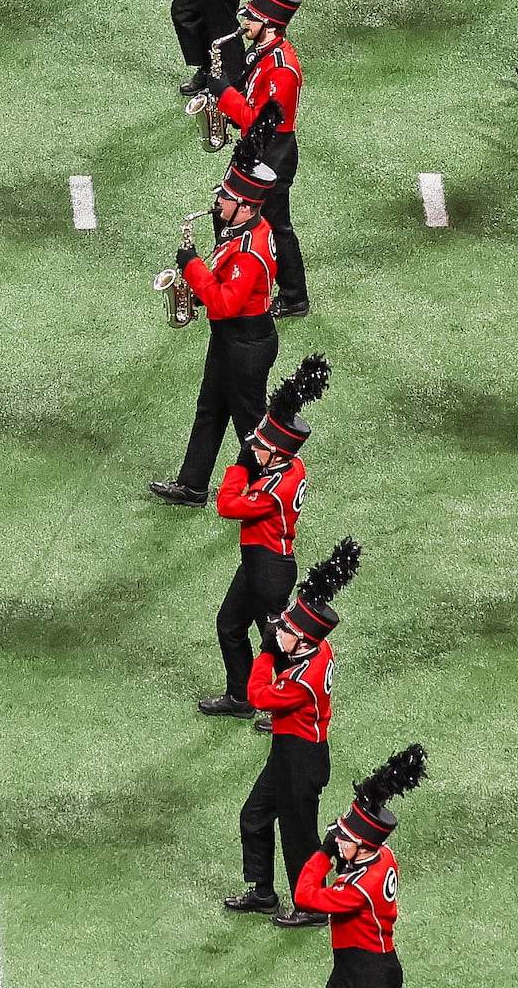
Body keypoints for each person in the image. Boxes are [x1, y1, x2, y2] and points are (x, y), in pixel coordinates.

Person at [226, 538, 359, 925]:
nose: (277, 626)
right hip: (290, 751)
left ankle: (313, 907)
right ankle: (263, 892)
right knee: (254, 815)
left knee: (299, 836)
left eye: (285, 627)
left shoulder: (303, 677)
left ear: (300, 639)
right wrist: (281, 640)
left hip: (301, 759)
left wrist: (266, 652)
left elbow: (258, 696)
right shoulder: (317, 649)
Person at [153, 141, 285, 504]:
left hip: (245, 343)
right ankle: (192, 485)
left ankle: (269, 493)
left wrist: (192, 268)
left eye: (225, 199)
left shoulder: (248, 251)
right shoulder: (244, 232)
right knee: (210, 410)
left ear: (244, 206)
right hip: (231, 339)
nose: (218, 204)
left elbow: (225, 303)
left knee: (252, 426)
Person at [204, 355, 329, 717]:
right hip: (259, 564)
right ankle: (241, 697)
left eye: (259, 445)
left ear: (274, 455)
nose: (252, 446)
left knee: (281, 644)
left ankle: (285, 712)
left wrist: (242, 465)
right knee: (229, 625)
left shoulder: (273, 488)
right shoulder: (292, 463)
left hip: (269, 569)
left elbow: (227, 505)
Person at [208, 0, 324, 318]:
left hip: (274, 150)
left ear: (270, 25)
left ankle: (293, 296)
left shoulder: (282, 70)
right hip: (259, 146)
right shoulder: (263, 51)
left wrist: (224, 93)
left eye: (252, 18)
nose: (245, 21)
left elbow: (258, 119)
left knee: (275, 223)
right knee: (227, 207)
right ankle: (235, 272)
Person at [294, 745, 422, 982]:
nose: (338, 841)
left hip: (366, 972)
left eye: (345, 839)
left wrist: (324, 853)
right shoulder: (384, 856)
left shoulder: (357, 889)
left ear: (363, 844)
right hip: (362, 965)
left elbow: (304, 896)